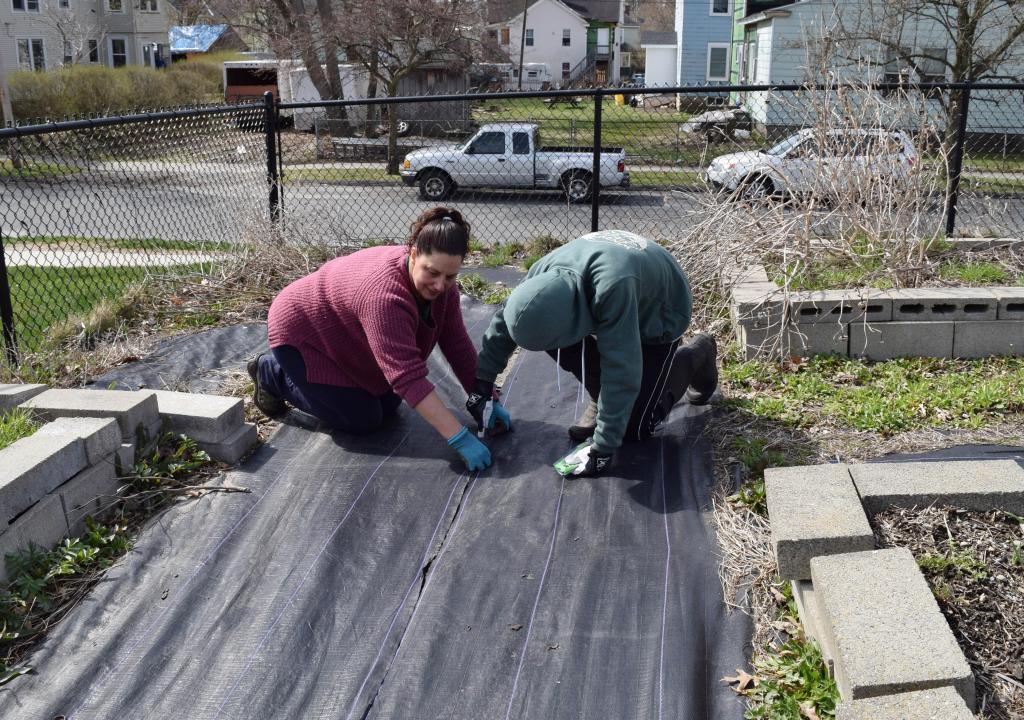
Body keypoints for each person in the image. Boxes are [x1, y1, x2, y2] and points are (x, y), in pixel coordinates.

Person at [248, 207, 511, 472]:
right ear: (413, 253)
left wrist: (484, 398)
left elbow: (457, 344)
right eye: (432, 273)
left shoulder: (441, 287)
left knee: (388, 405)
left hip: (345, 336)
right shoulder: (384, 296)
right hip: (302, 334)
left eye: (450, 276)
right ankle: (273, 374)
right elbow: (407, 377)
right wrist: (459, 438)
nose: (441, 285)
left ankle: (331, 382)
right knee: (363, 420)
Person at [467, 229, 717, 477]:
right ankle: (601, 397)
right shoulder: (541, 276)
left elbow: (621, 367)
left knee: (634, 428)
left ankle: (697, 353)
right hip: (615, 279)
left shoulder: (611, 290)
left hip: (660, 305)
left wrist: (603, 447)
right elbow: (505, 322)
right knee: (547, 333)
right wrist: (482, 385)